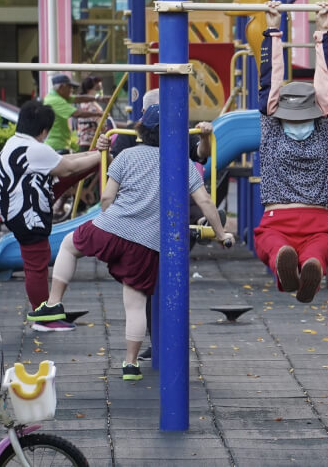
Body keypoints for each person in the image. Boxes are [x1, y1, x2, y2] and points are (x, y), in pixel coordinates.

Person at [27, 104, 233, 381]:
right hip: (147, 242)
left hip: (112, 227)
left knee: (68, 245)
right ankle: (130, 364)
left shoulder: (127, 155)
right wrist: (221, 234)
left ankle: (53, 302)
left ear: (142, 131)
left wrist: (108, 221)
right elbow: (206, 202)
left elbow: (106, 198)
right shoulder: (183, 165)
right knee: (135, 302)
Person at [108, 88, 215, 362]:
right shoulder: (129, 139)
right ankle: (161, 344)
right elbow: (113, 170)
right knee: (153, 285)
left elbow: (201, 154)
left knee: (149, 287)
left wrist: (203, 137)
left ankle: (158, 344)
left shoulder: (180, 137)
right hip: (151, 220)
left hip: (155, 221)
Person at [0, 101, 109, 331]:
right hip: (25, 212)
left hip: (21, 204)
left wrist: (97, 153)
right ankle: (43, 317)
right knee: (37, 262)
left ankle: (44, 311)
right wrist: (99, 157)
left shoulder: (17, 143)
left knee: (35, 261)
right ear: (44, 131)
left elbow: (68, 163)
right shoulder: (34, 149)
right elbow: (66, 168)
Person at [253, 1, 328, 304]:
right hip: (318, 217)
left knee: (270, 242)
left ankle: (281, 255)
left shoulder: (273, 129)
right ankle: (313, 262)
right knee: (321, 246)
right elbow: (326, 81)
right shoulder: (323, 129)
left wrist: (273, 29)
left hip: (278, 215)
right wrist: (322, 31)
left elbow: (270, 82)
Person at [43, 74, 104, 154]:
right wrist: (99, 114)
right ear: (61, 87)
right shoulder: (54, 100)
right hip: (57, 145)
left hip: (65, 143)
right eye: (69, 87)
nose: (71, 90)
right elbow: (77, 113)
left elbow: (78, 98)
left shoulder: (57, 96)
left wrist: (97, 98)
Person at [76, 76, 107, 152]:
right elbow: (102, 125)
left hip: (83, 142)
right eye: (98, 88)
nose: (100, 91)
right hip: (91, 143)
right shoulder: (91, 105)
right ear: (89, 89)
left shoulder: (81, 103)